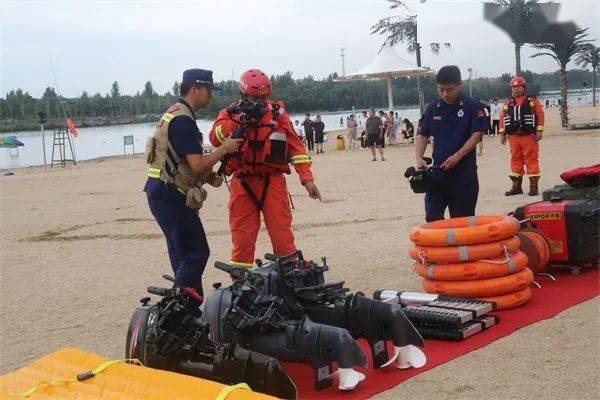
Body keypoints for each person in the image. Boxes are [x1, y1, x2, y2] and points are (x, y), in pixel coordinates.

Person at [144, 69, 242, 313]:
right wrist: (225, 149)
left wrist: (209, 177)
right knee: (197, 252)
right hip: (170, 195)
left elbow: (186, 163)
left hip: (162, 192)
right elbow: (197, 163)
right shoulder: (183, 121)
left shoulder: (175, 114)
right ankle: (181, 308)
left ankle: (188, 310)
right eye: (209, 90)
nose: (211, 96)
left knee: (183, 254)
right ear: (195, 89)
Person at [209, 68, 321, 270]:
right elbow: (214, 138)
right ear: (244, 94)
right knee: (242, 238)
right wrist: (236, 121)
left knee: (282, 236)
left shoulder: (278, 115)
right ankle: (240, 283)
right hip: (243, 182)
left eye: (263, 97)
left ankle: (289, 278)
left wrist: (307, 179)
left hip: (272, 181)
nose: (259, 102)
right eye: (254, 98)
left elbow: (296, 147)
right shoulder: (229, 114)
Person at [415, 65, 485, 222]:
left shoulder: (473, 106)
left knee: (462, 221)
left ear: (459, 85)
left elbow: (476, 135)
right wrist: (419, 157)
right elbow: (422, 134)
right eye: (441, 90)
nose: (445, 94)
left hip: (463, 174)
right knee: (432, 217)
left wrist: (457, 156)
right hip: (437, 172)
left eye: (450, 89)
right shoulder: (433, 108)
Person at [499, 76, 544, 196]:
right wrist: (502, 134)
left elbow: (540, 115)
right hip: (513, 137)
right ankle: (516, 187)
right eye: (514, 87)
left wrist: (539, 131)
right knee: (515, 159)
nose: (516, 89)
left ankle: (533, 186)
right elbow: (502, 118)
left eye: (519, 87)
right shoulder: (507, 104)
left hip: (529, 136)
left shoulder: (532, 102)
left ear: (524, 87)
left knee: (531, 158)